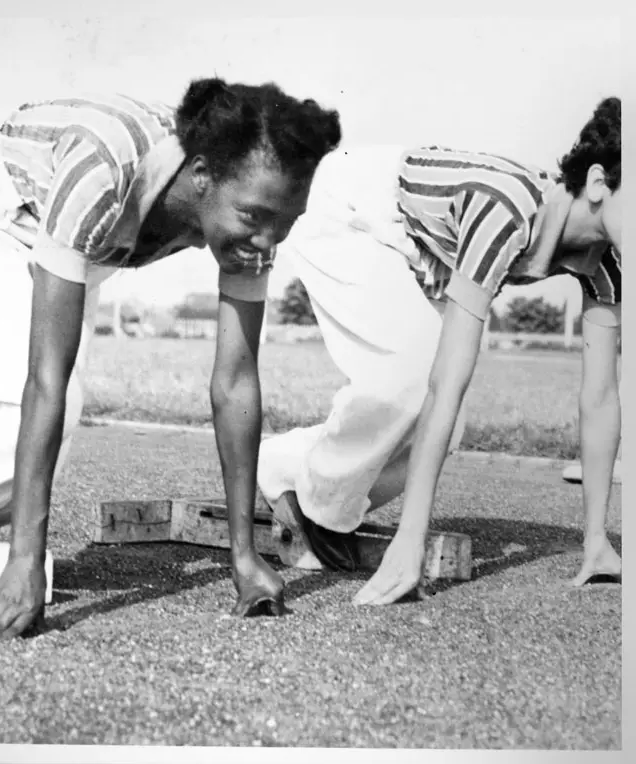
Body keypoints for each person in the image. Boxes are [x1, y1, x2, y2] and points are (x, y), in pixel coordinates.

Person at [0, 79, 342, 637]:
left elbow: (236, 383)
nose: (268, 242)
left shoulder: (247, 214)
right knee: (29, 419)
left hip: (69, 233)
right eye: (254, 217)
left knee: (33, 453)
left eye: (286, 222)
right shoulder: (105, 166)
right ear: (201, 177)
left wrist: (245, 556)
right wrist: (24, 559)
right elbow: (45, 381)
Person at [257, 97, 622, 604]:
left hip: (424, 246)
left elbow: (601, 398)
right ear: (601, 182)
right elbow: (444, 381)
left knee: (447, 427)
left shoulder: (607, 264)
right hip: (353, 206)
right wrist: (409, 541)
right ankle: (319, 508)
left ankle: (279, 466)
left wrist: (596, 540)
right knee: (409, 383)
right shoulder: (508, 210)